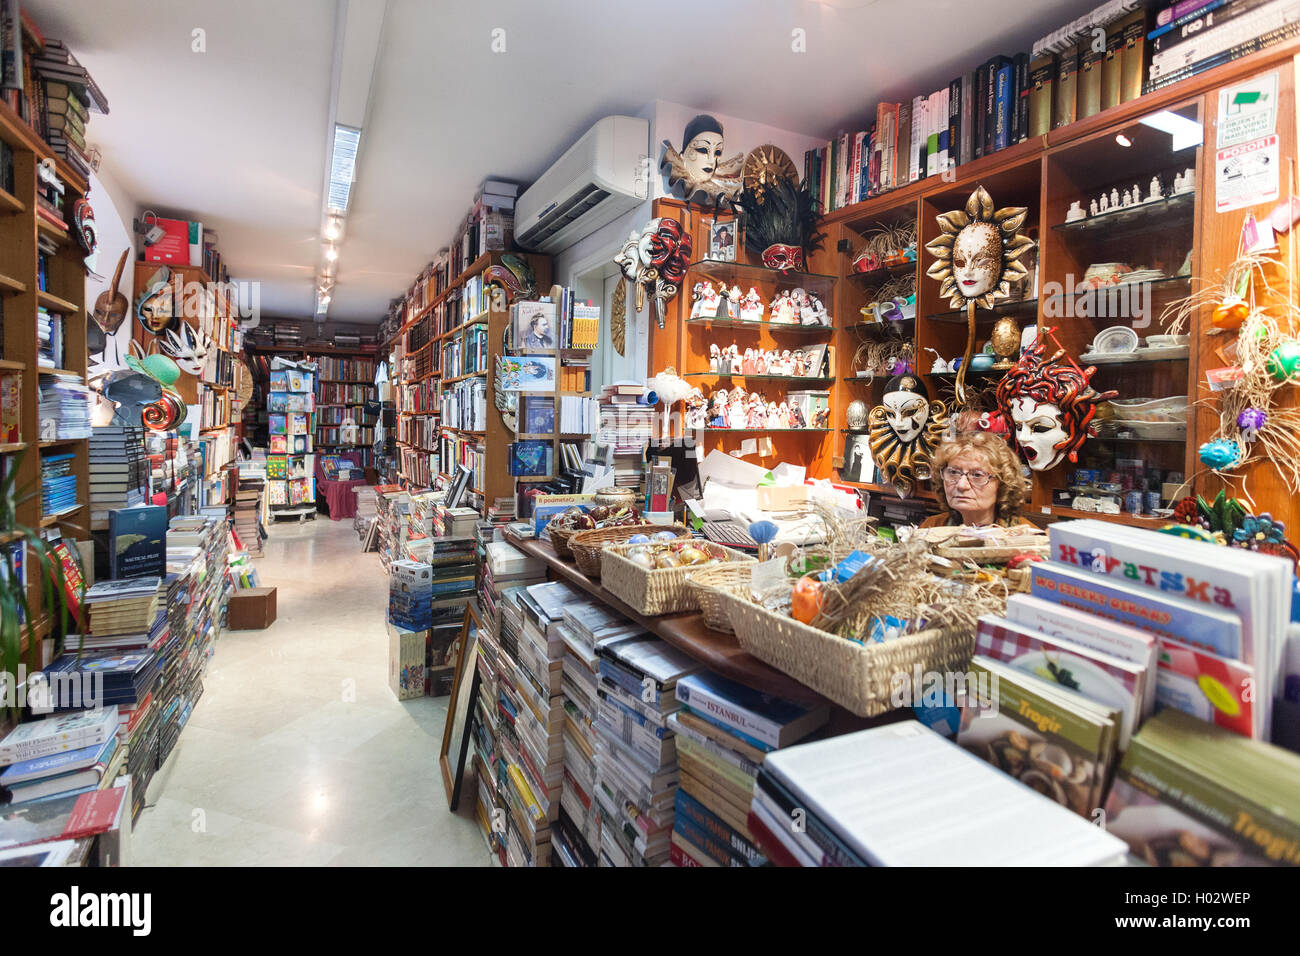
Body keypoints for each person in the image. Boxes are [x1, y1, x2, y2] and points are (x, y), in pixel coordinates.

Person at [920, 431, 1031, 528]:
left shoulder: (1027, 537)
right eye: (953, 472)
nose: (961, 485)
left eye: (977, 475)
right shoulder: (932, 527)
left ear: (1002, 485)